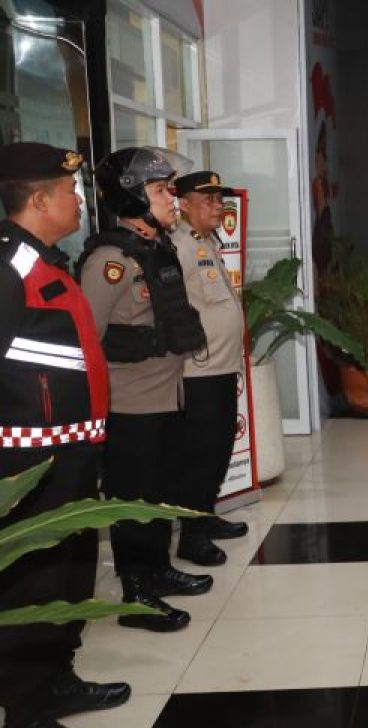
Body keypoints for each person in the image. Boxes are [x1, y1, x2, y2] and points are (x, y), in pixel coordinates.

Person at [0, 142, 130, 728]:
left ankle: (58, 677)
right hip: (28, 465)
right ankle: (25, 717)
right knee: (34, 584)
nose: (78, 200)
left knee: (72, 570)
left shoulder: (47, 260)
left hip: (71, 451)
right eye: (70, 191)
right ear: (40, 199)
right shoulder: (6, 268)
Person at [79, 147, 212, 632]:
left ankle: (157, 569)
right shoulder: (110, 261)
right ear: (132, 197)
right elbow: (87, 338)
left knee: (157, 494)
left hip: (166, 397)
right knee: (133, 501)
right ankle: (137, 592)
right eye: (159, 191)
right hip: (131, 405)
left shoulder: (157, 248)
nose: (170, 199)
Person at [168, 171, 249, 568]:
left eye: (220, 200)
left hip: (220, 366)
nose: (218, 207)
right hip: (198, 371)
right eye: (209, 201)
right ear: (183, 203)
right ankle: (191, 537)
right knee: (200, 453)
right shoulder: (179, 246)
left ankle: (206, 515)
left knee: (218, 449)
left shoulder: (204, 242)